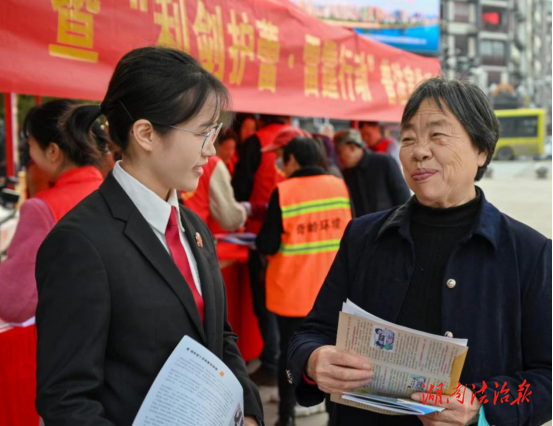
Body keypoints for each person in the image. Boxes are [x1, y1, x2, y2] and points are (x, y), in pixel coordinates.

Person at [288, 78, 552, 426]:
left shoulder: (530, 254)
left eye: (438, 135)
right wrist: (312, 360)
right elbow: (312, 333)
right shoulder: (363, 236)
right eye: (409, 137)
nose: (419, 150)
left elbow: (546, 378)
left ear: (481, 150)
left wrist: (482, 405)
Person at [35, 47, 263, 426]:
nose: (211, 149)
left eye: (215, 131)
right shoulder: (80, 243)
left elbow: (220, 339)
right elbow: (67, 401)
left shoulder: (193, 227)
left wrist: (249, 414)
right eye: (203, 131)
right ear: (146, 134)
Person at [257, 137, 351, 426]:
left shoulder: (284, 191)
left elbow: (267, 243)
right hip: (333, 291)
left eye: (283, 159)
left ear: (294, 160)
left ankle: (286, 416)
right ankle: (331, 413)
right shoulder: (338, 185)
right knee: (334, 355)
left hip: (293, 292)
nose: (281, 165)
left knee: (292, 355)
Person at [0, 99, 106, 323]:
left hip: (66, 336)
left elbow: (14, 302)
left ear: (52, 151)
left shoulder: (42, 209)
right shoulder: (114, 193)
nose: (30, 154)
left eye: (30, 145)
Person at [232, 114, 291, 386]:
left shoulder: (257, 142)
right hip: (298, 243)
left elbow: (241, 186)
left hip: (260, 234)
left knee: (266, 302)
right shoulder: (300, 137)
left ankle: (272, 362)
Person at [334, 129, 410, 217]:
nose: (339, 158)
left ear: (352, 147)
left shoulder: (384, 162)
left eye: (339, 153)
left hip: (389, 226)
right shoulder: (346, 174)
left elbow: (403, 196)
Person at [183, 154, 248, 234]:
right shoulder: (212, 163)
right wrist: (246, 210)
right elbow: (229, 218)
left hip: (174, 232)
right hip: (198, 234)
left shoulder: (167, 160)